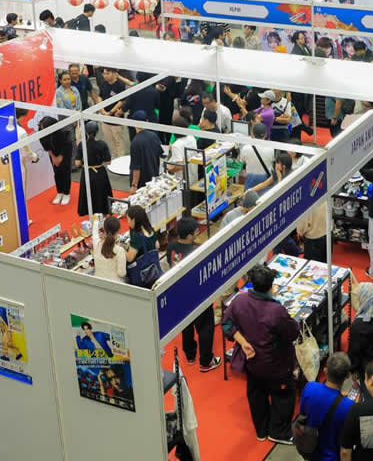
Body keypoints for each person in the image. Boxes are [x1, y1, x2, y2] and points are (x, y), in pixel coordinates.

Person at [223, 265, 300, 444]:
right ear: (271, 286)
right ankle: (278, 431)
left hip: (251, 362)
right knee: (283, 395)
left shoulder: (239, 300)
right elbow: (292, 333)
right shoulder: (276, 311)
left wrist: (243, 342)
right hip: (276, 364)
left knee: (256, 393)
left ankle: (261, 430)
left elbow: (227, 325)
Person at [169, 217, 221, 371]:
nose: (198, 231)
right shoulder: (196, 253)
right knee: (206, 327)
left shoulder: (171, 247)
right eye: (196, 230)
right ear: (189, 235)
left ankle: (190, 354)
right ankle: (206, 361)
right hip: (197, 296)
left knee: (186, 325)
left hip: (178, 293)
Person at [297, 352, 354, 461]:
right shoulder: (348, 406)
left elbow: (303, 414)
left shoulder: (309, 387)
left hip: (309, 450)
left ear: (325, 371)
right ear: (347, 376)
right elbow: (346, 445)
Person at [74, 121, 112, 216]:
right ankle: (103, 214)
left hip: (87, 173)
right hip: (100, 173)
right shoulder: (102, 144)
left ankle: (91, 216)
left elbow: (77, 163)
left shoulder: (82, 145)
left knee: (89, 194)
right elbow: (108, 162)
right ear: (97, 131)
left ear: (86, 132)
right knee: (101, 194)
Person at [37, 115, 75, 206]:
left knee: (65, 171)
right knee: (57, 172)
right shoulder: (41, 131)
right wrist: (53, 157)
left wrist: (61, 156)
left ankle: (66, 193)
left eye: (44, 128)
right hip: (53, 151)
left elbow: (67, 144)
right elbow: (46, 145)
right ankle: (59, 192)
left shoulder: (63, 131)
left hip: (65, 151)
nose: (42, 129)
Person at [127, 121, 163, 193]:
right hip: (154, 175)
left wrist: (134, 185)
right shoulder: (153, 135)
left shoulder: (135, 142)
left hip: (142, 181)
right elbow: (161, 153)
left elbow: (136, 167)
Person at [93, 216, 127, 283]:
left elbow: (94, 232)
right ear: (118, 231)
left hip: (98, 281)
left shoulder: (96, 243)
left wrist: (96, 222)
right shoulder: (119, 250)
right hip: (114, 284)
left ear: (104, 229)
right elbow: (121, 273)